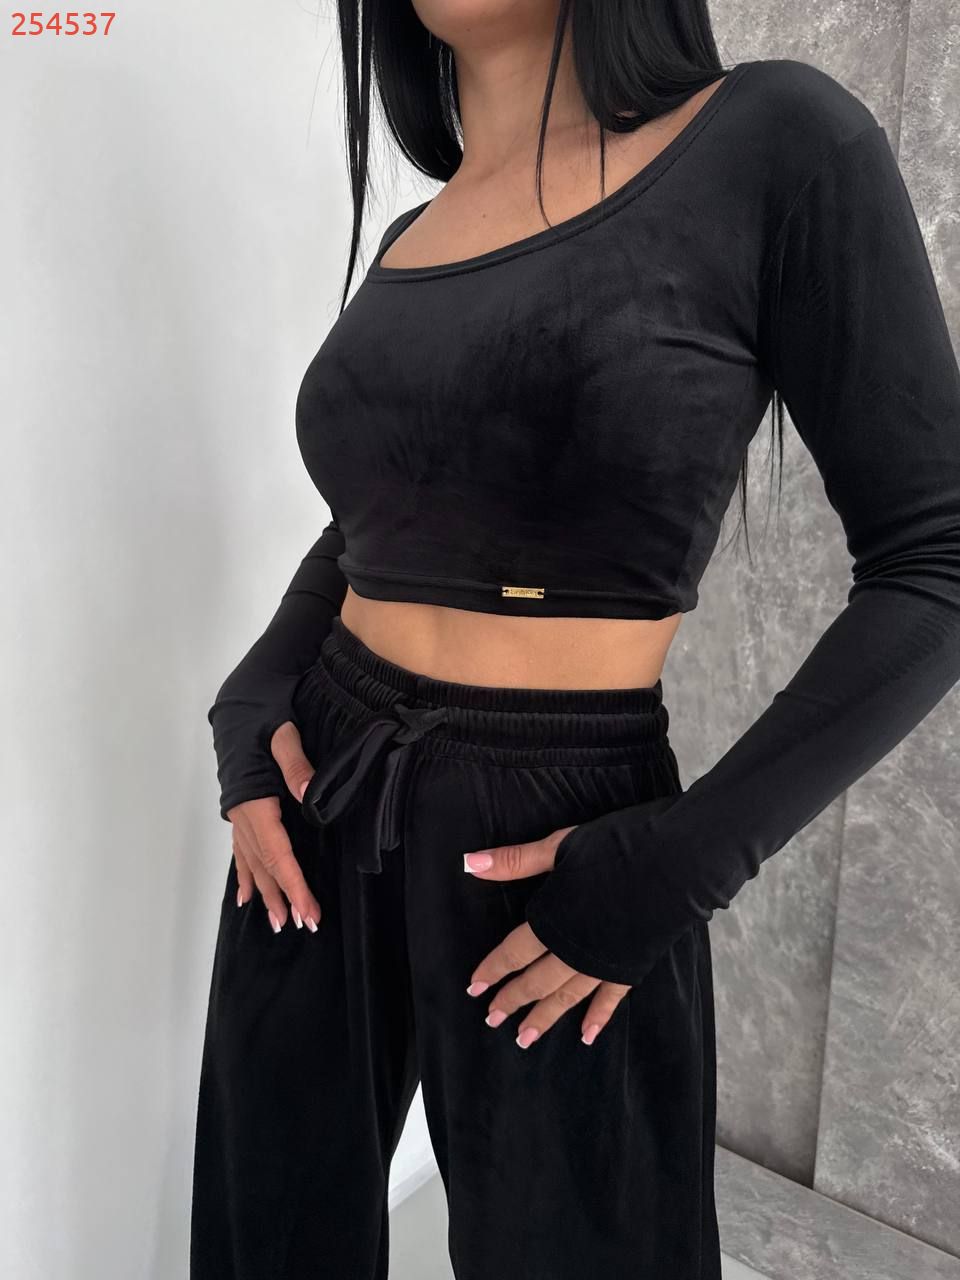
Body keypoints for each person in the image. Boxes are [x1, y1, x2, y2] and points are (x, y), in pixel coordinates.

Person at [190, 3, 960, 1278]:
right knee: (262, 1238)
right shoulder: (417, 233)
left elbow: (935, 556)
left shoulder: (775, 140)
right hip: (318, 789)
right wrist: (259, 684)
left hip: (559, 833)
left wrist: (678, 864)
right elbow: (375, 520)